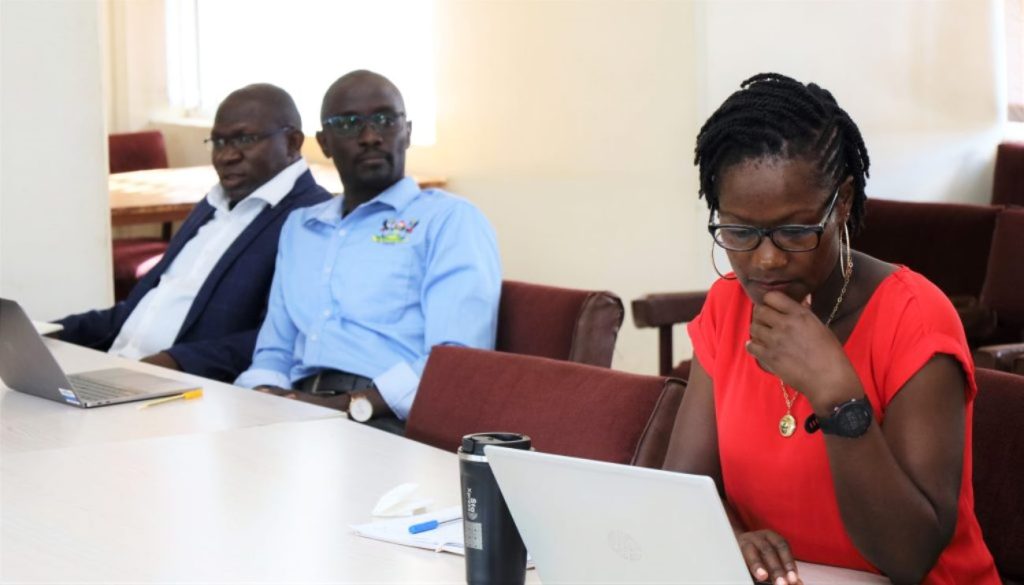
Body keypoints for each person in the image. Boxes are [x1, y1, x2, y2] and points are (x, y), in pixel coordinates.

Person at [662, 73, 1000, 585]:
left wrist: (837, 396)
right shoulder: (728, 305)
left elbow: (909, 557)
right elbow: (686, 487)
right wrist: (730, 538)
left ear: (841, 203)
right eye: (738, 231)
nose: (767, 258)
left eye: (796, 230)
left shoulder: (915, 319)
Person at [234, 70, 501, 428]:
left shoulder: (448, 220)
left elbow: (457, 362)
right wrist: (264, 395)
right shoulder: (301, 228)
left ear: (407, 132)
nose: (371, 136)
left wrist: (350, 405)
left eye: (385, 120)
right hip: (296, 413)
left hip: (388, 418)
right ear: (324, 142)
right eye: (348, 124)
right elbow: (274, 352)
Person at [58, 84, 331, 382]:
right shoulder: (215, 202)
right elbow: (141, 309)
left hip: (192, 391)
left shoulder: (313, 218)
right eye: (218, 142)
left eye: (244, 139)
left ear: (292, 143)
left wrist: (171, 363)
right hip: (121, 372)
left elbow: (288, 337)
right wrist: (46, 331)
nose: (226, 156)